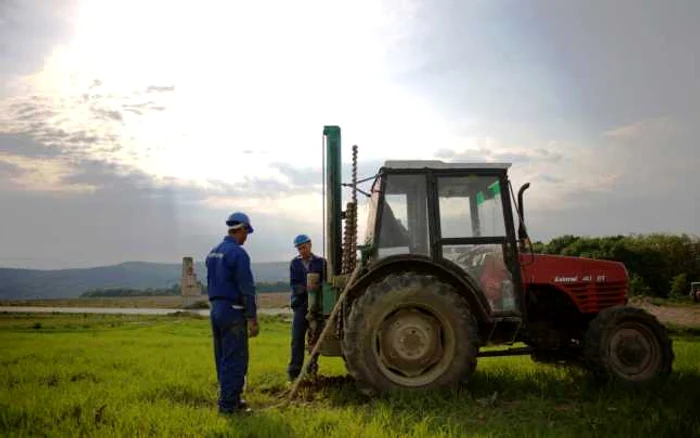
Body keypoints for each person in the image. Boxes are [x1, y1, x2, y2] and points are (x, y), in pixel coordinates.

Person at [206, 211, 259, 414]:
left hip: (216, 310)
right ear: (242, 229)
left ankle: (230, 398)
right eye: (247, 232)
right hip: (233, 311)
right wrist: (252, 317)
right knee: (235, 358)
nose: (247, 237)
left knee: (222, 357)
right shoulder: (238, 253)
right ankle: (229, 406)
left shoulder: (213, 252)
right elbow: (247, 288)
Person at [287, 234, 327, 382]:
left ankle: (312, 368)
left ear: (310, 245)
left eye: (304, 247)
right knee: (297, 338)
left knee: (314, 336)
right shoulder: (294, 264)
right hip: (301, 305)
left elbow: (326, 282)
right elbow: (294, 285)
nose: (302, 251)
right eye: (299, 248)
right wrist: (306, 288)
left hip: (317, 305)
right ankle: (294, 372)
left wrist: (317, 287)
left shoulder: (321, 262)